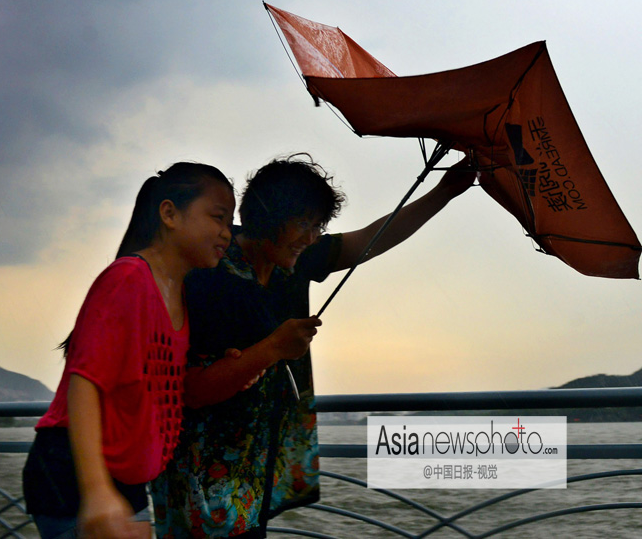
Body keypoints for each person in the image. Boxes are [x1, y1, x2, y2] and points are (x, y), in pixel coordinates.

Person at [151, 154, 474, 538]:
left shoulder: (294, 259)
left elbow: (369, 240)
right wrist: (273, 347)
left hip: (255, 465)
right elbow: (190, 388)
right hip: (200, 469)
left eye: (317, 226)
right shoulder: (209, 268)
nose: (311, 238)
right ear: (270, 216)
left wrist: (444, 192)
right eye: (302, 224)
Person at [22, 162, 236, 539]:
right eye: (218, 217)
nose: (226, 232)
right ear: (169, 213)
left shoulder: (179, 293)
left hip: (126, 477)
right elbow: (84, 383)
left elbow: (162, 383)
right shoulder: (128, 279)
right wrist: (97, 492)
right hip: (77, 472)